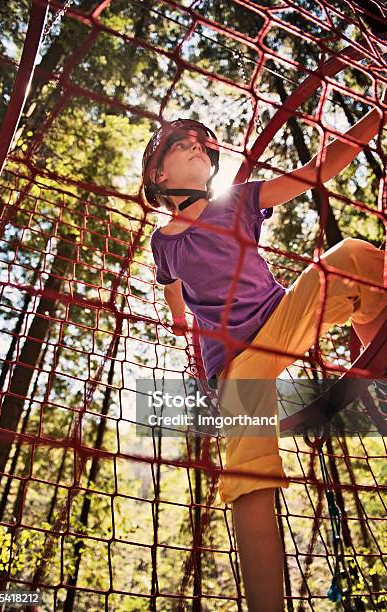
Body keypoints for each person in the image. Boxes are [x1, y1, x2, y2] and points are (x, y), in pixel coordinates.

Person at [143, 90, 386, 610]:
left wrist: (376, 117)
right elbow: (170, 287)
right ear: (159, 177)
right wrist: (181, 324)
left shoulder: (239, 201)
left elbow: (314, 172)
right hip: (233, 361)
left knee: (354, 258)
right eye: (182, 145)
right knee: (247, 460)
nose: (199, 149)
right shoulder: (164, 244)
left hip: (279, 321)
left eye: (203, 147)